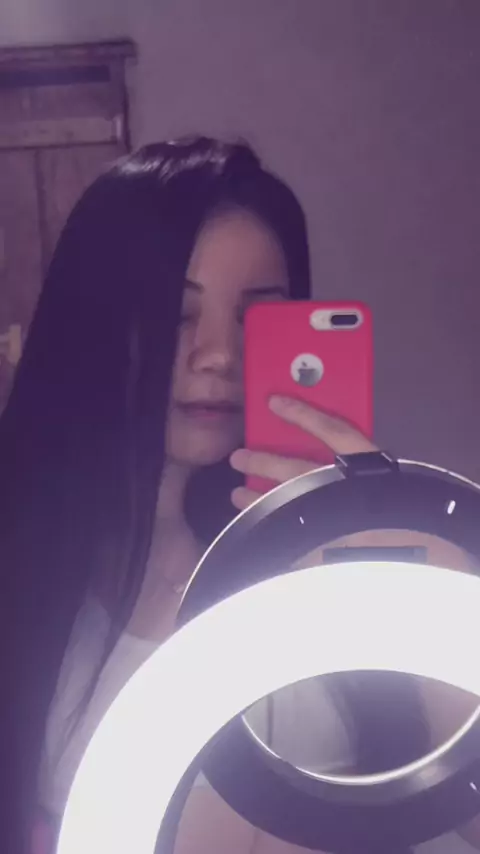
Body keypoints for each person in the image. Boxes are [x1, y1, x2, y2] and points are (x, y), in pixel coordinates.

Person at [0, 137, 477, 854]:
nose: (221, 354)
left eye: (257, 318)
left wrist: (410, 558)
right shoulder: (30, 587)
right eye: (177, 314)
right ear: (97, 325)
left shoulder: (377, 556)